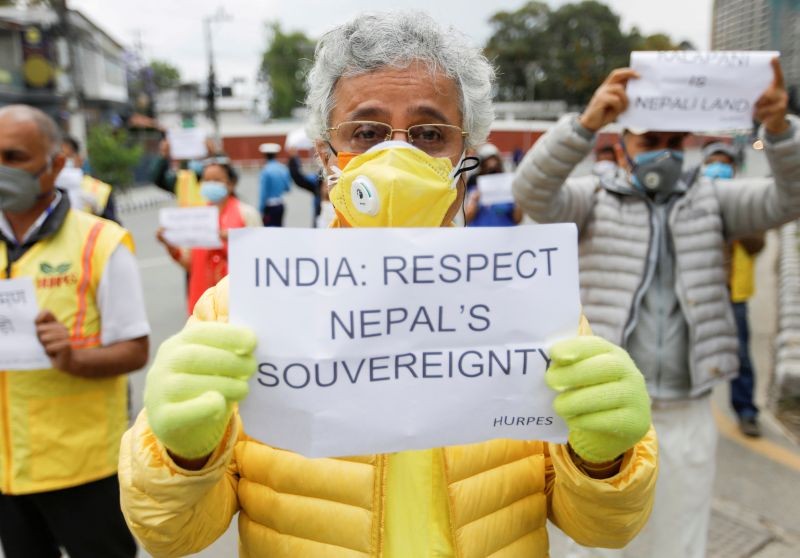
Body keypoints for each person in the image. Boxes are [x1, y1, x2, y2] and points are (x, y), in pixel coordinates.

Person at [119, 12, 657, 558]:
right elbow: (171, 535)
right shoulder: (240, 309)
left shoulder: (533, 301)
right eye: (366, 132)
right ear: (326, 154)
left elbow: (604, 530)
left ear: (465, 154)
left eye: (429, 133)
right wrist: (180, 457)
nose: (395, 156)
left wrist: (604, 460)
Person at [512, 59, 799, 558]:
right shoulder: (593, 197)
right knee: (592, 544)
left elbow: (789, 198)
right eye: (650, 142)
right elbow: (531, 191)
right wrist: (585, 125)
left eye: (673, 143)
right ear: (625, 143)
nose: (662, 154)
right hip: (602, 409)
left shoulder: (716, 200)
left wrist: (779, 131)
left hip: (686, 407)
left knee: (678, 540)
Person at [0, 105, 150, 557]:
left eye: (14, 156)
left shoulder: (100, 243)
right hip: (8, 470)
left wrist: (72, 358)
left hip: (83, 468)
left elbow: (135, 349)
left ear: (55, 166)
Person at [702, 141, 766, 437]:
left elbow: (757, 245)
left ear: (734, 168)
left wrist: (735, 223)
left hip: (733, 292)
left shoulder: (746, 202)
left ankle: (746, 411)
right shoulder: (693, 201)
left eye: (724, 162)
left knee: (739, 354)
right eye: (713, 161)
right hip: (699, 292)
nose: (718, 167)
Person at [157, 160, 261, 314]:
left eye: (217, 180)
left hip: (238, 301)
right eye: (207, 180)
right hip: (202, 304)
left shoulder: (246, 213)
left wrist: (232, 237)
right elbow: (189, 264)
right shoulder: (196, 218)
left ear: (231, 184)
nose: (211, 184)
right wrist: (169, 244)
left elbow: (260, 255)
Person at [58, 136, 120, 223]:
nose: (61, 162)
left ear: (79, 159)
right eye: (57, 157)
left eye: (67, 157)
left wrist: (98, 212)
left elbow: (113, 229)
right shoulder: (46, 191)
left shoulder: (100, 190)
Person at [464, 143, 523, 227]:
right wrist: (474, 200)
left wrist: (517, 200)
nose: (492, 172)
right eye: (488, 168)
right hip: (480, 236)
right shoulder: (474, 184)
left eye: (495, 167)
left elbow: (518, 219)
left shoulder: (508, 185)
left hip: (505, 236)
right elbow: (467, 217)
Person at [258, 142, 291, 226]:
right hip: (280, 204)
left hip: (269, 206)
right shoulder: (282, 168)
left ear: (265, 155)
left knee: (269, 232)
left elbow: (263, 193)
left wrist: (260, 210)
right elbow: (287, 188)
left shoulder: (265, 171)